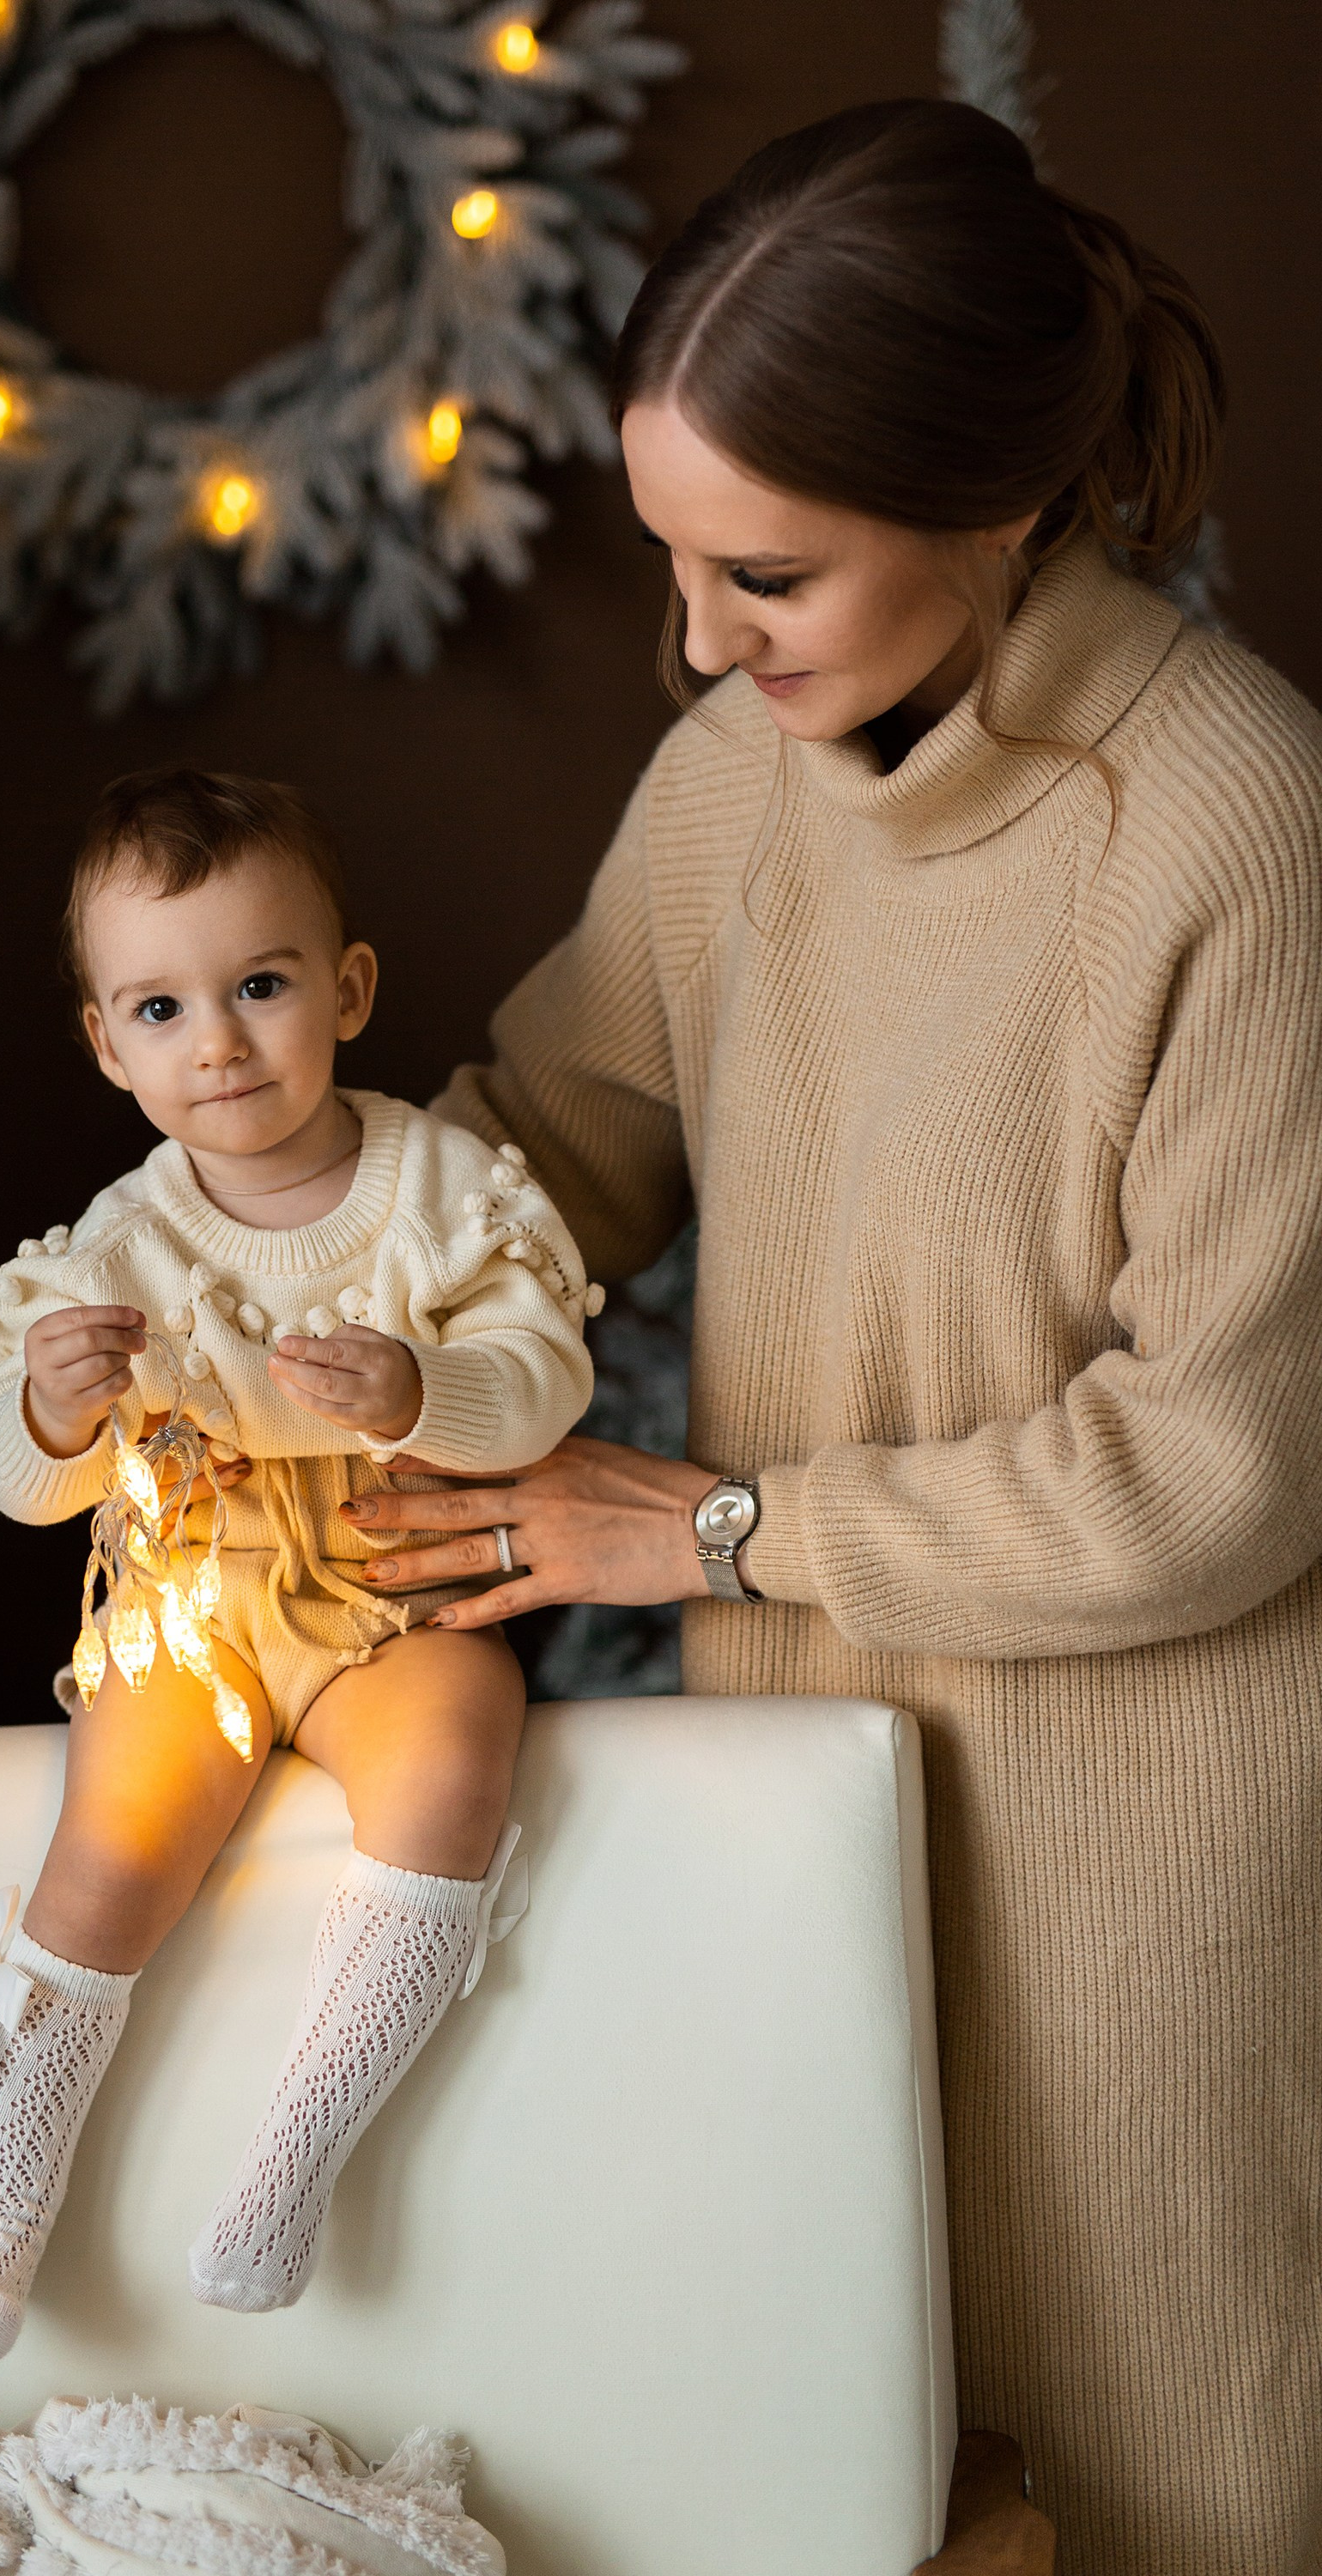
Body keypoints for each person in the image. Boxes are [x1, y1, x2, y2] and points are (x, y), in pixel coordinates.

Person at [353, 100, 1322, 2576]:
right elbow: (533, 1162)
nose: (695, 639)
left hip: (1154, 1900)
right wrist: (272, 1272)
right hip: (800, 1839)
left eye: (764, 570)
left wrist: (718, 1528)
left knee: (1150, 2503)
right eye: (670, 559)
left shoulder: (1240, 828)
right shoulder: (725, 792)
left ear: (1000, 503)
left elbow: (1218, 1472)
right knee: (832, 2470)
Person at [0, 767, 595, 2363]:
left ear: (347, 992)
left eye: (260, 987)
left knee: (459, 1738)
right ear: (104, 1040)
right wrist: (50, 1408)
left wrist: (429, 1392)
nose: (215, 1042)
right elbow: (11, 1478)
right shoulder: (109, 1253)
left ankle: (292, 2163)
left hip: (383, 1588)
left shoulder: (442, 1194)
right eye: (159, 1007)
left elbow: (545, 1373)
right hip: (193, 1604)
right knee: (118, 1841)